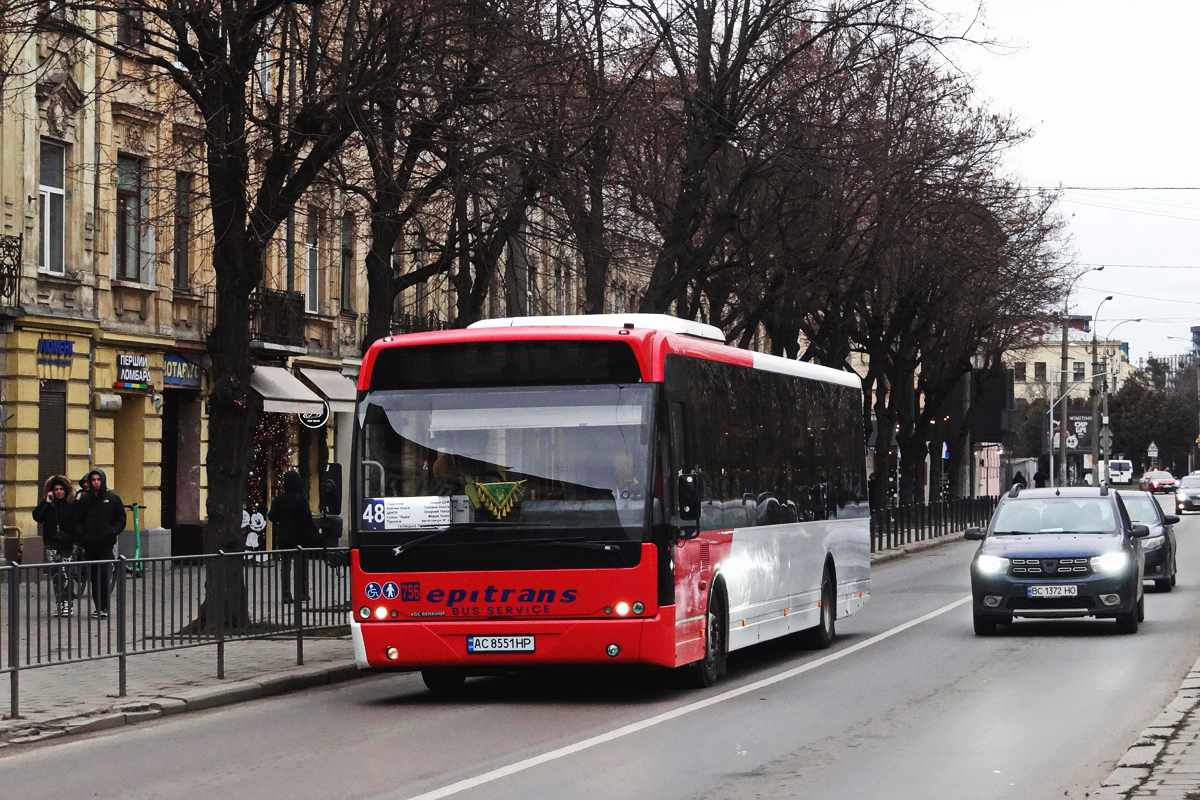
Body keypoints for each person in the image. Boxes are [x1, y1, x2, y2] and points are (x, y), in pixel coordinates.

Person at [74, 468, 126, 618]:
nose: (96, 483)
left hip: (105, 543)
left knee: (103, 575)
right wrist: (82, 534)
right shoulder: (84, 499)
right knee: (94, 577)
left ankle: (104, 607)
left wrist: (112, 532)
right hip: (90, 544)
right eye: (93, 480)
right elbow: (78, 520)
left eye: (98, 480)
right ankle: (98, 607)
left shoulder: (113, 499)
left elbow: (121, 519)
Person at [268, 471, 318, 603]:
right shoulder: (301, 499)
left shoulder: (279, 499)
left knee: (285, 566)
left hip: (284, 536)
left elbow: (272, 517)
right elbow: (308, 517)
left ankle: (286, 593)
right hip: (300, 536)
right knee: (301, 565)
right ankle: (302, 592)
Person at [33, 475, 77, 616]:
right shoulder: (47, 506)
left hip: (68, 543)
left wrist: (73, 538)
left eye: (61, 489)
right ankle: (60, 602)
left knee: (65, 571)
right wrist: (46, 502)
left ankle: (67, 602)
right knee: (56, 574)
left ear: (66, 490)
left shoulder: (72, 505)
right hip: (52, 543)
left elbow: (78, 523)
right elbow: (37, 517)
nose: (59, 492)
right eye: (56, 489)